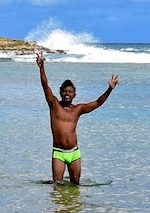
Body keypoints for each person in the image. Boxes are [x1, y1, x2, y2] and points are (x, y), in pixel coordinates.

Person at [36, 52, 119, 185]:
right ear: (60, 92)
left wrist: (110, 89)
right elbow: (45, 86)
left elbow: (97, 103)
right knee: (58, 186)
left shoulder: (78, 109)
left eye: (70, 91)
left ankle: (73, 207)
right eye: (64, 91)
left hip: (74, 152)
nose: (67, 94)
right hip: (59, 152)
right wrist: (41, 67)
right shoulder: (54, 105)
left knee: (76, 186)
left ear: (74, 94)